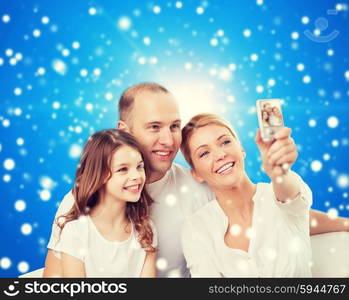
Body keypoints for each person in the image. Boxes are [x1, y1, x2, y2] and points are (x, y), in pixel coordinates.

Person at [44, 82, 349, 278]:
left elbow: (275, 213)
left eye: (174, 126)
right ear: (124, 129)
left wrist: (342, 222)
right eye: (154, 127)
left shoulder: (199, 186)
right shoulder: (83, 200)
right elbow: (54, 276)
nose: (167, 139)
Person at [181, 113, 312, 277]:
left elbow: (291, 199)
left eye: (225, 142)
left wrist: (279, 173)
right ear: (196, 174)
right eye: (204, 153)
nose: (220, 155)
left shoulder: (279, 193)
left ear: (241, 149)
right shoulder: (197, 228)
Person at [52, 129, 157, 277]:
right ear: (99, 175)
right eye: (123, 169)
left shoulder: (145, 230)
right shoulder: (76, 231)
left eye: (139, 167)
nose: (136, 176)